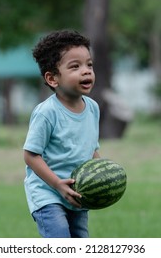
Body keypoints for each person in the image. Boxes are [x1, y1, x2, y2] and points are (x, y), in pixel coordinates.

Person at [23, 30, 100, 238]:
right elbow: (30, 155)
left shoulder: (93, 108)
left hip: (76, 193)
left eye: (89, 65)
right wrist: (57, 184)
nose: (86, 71)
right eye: (75, 66)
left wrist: (100, 176)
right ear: (52, 78)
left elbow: (92, 148)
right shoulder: (47, 113)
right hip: (48, 192)